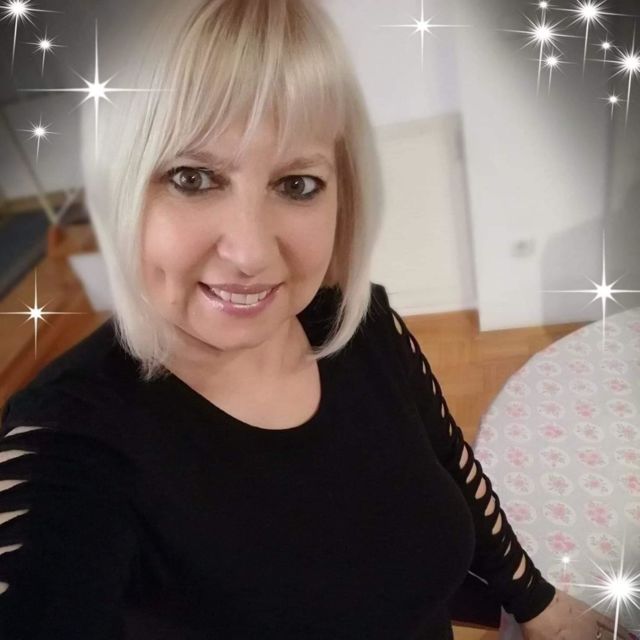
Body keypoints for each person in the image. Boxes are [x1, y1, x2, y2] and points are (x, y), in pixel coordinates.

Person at [0, 1, 634, 638]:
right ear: (120, 188)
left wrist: (537, 602)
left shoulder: (362, 325)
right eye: (192, 178)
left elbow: (450, 464)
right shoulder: (63, 441)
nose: (251, 252)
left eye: (297, 184)